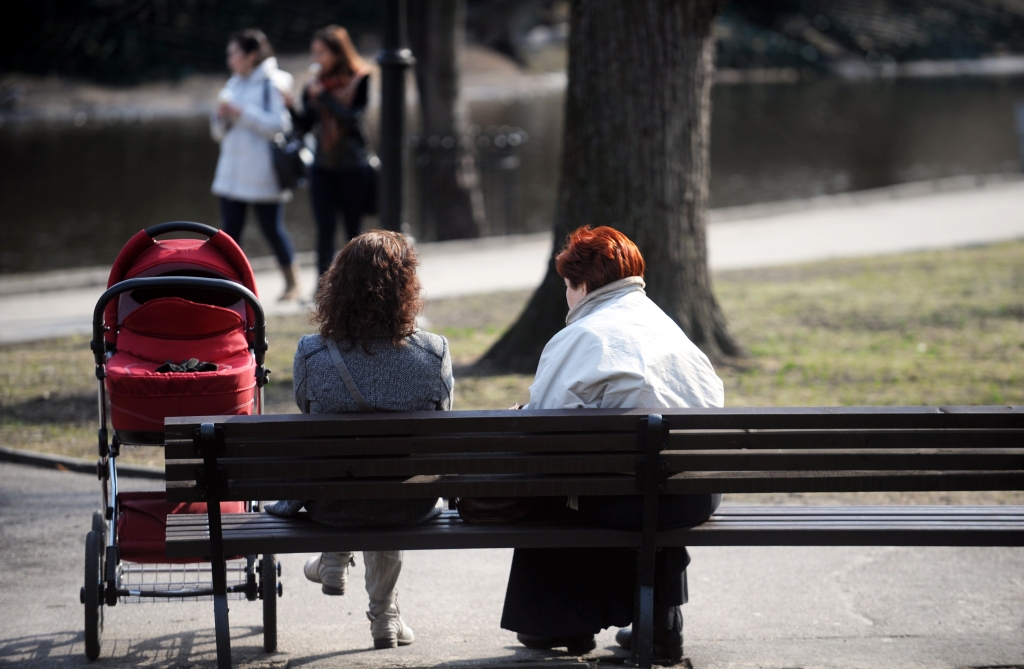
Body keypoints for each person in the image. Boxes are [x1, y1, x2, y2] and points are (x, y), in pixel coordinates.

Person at [500, 226, 725, 661]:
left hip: (624, 500)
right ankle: (660, 622)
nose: (567, 296)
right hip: (693, 497)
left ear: (583, 286)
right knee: (653, 473)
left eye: (567, 286)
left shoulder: (580, 336)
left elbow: (542, 434)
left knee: (564, 490)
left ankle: (562, 623)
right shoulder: (671, 330)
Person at [270, 230, 453, 649]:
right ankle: (384, 618)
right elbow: (440, 422)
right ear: (407, 287)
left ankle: (336, 558)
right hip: (409, 504)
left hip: (330, 504)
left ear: (338, 284)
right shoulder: (433, 353)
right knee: (392, 479)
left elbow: (307, 411)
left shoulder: (311, 353)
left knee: (355, 475)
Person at [210, 28, 302, 301]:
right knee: (229, 235)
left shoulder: (272, 83)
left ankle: (292, 284)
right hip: (231, 173)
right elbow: (217, 133)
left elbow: (279, 125)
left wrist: (241, 112)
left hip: (262, 175)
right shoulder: (233, 84)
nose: (230, 60)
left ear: (251, 56)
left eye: (234, 54)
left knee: (272, 230)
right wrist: (222, 117)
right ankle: (228, 290)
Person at [289, 25, 374, 277]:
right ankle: (322, 288)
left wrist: (324, 96)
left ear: (338, 53)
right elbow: (305, 126)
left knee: (353, 230)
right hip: (322, 166)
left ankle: (357, 285)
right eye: (314, 52)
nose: (317, 59)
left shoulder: (360, 78)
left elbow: (352, 118)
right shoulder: (314, 84)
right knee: (325, 228)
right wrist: (289, 107)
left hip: (352, 164)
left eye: (322, 52)